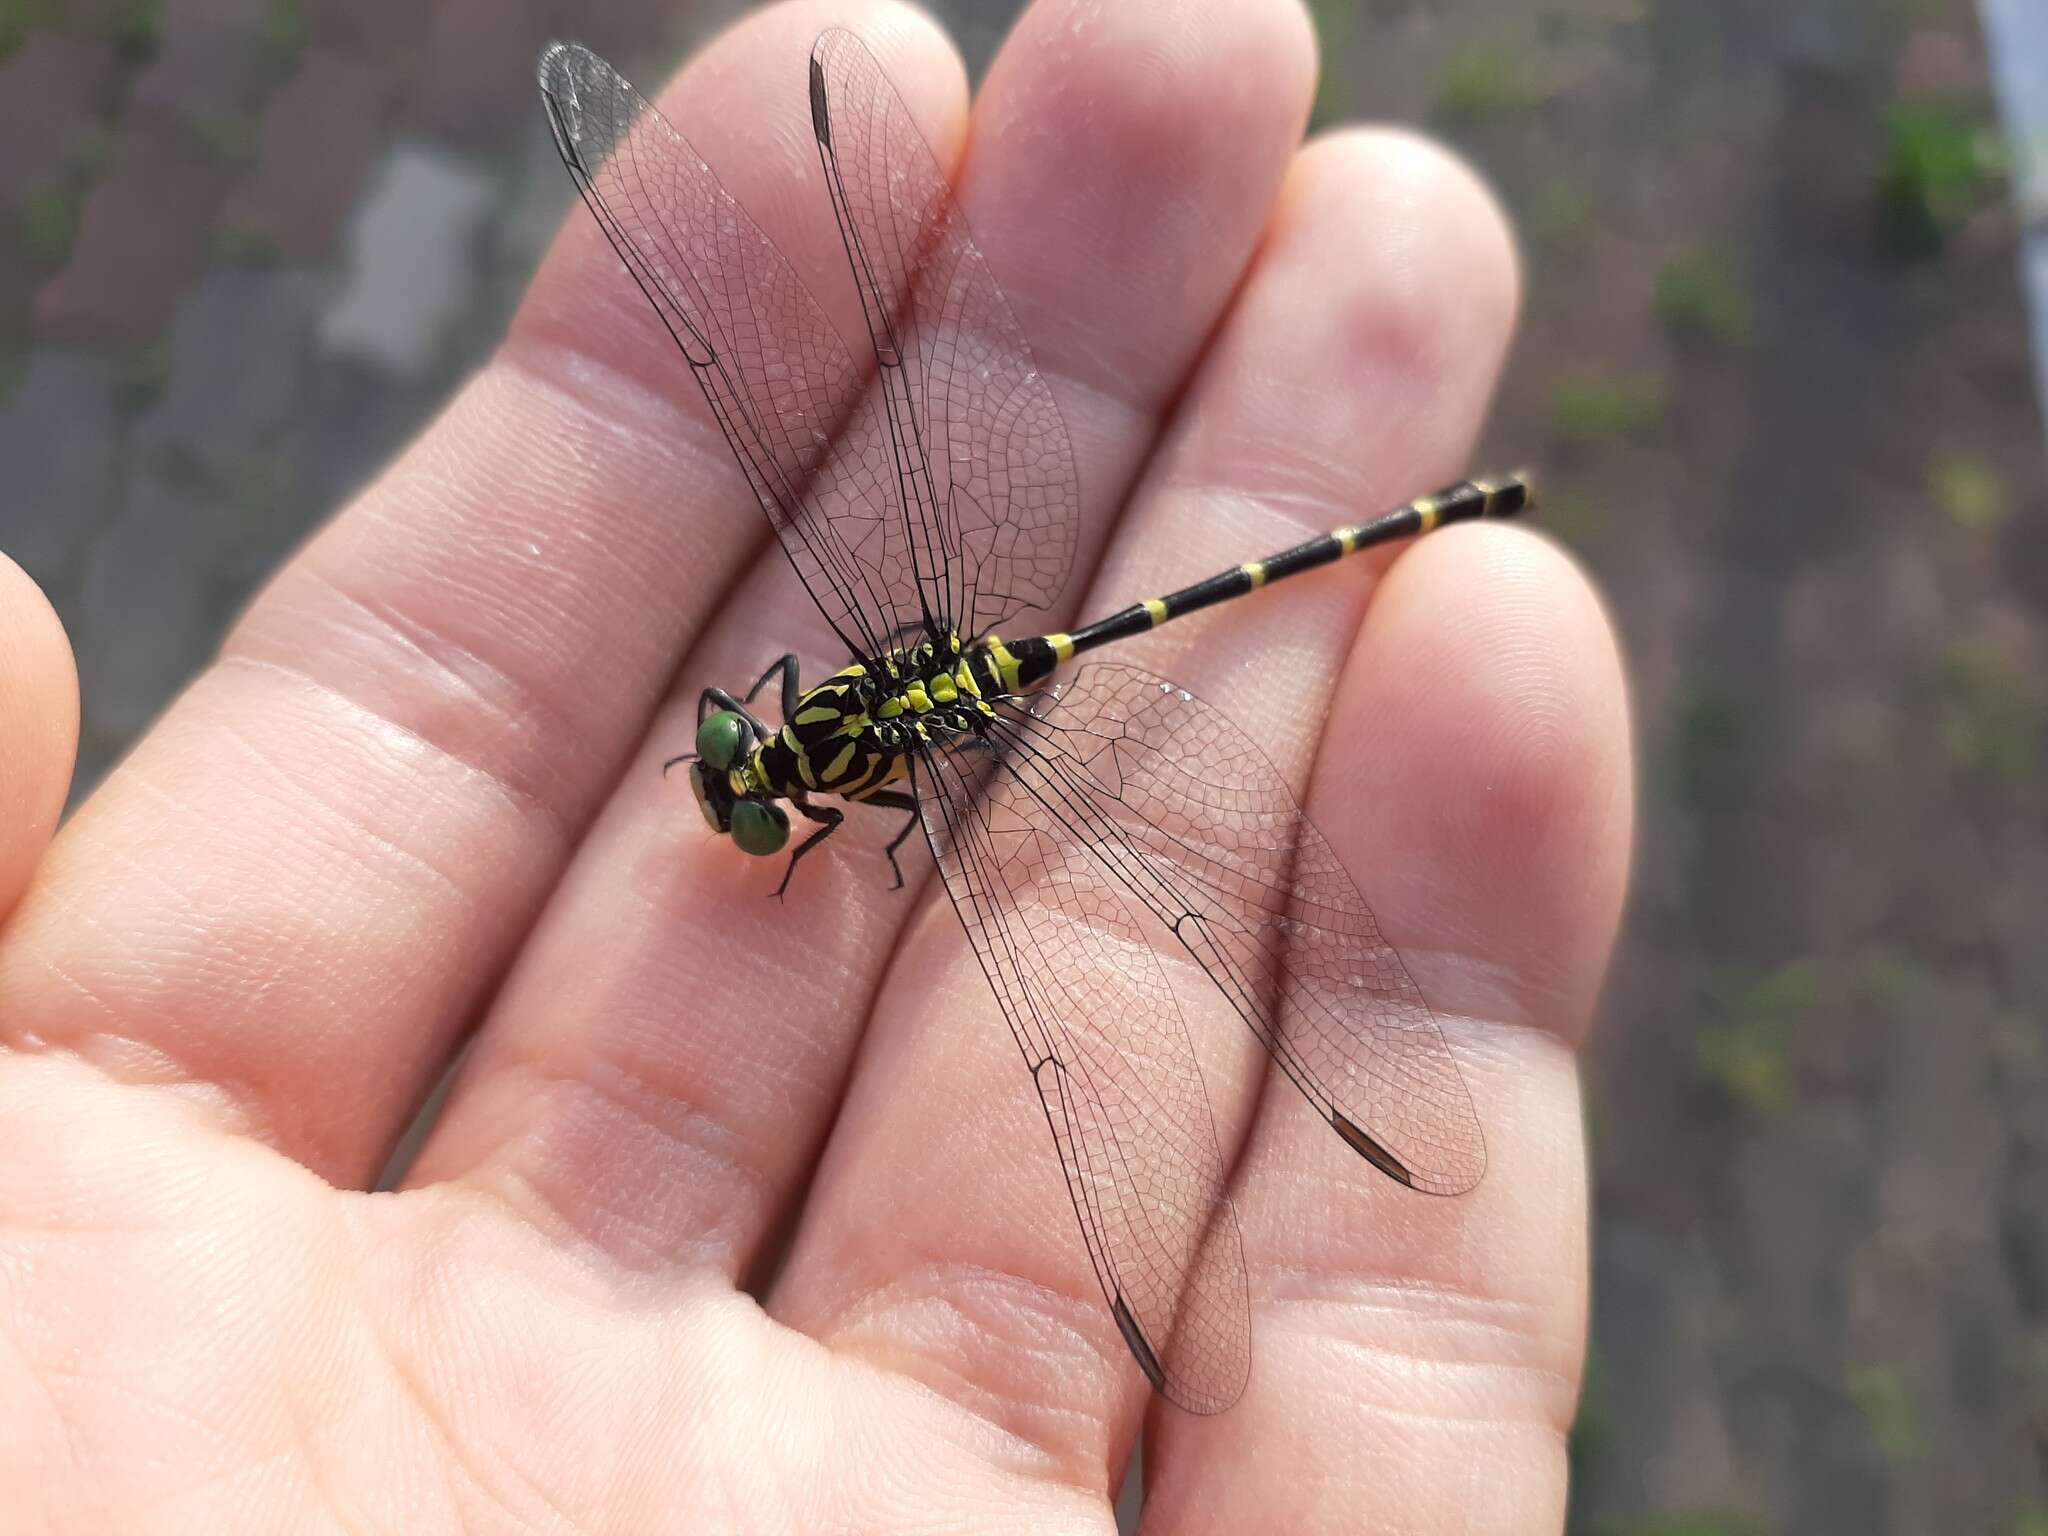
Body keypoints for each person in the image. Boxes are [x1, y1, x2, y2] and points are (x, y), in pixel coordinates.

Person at [0, 0, 1630, 1527]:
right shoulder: (817, 727)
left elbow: (896, 807)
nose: (740, 778)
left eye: (747, 781)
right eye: (744, 772)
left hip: (1003, 674)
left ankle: (1435, 518)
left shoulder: (849, 758)